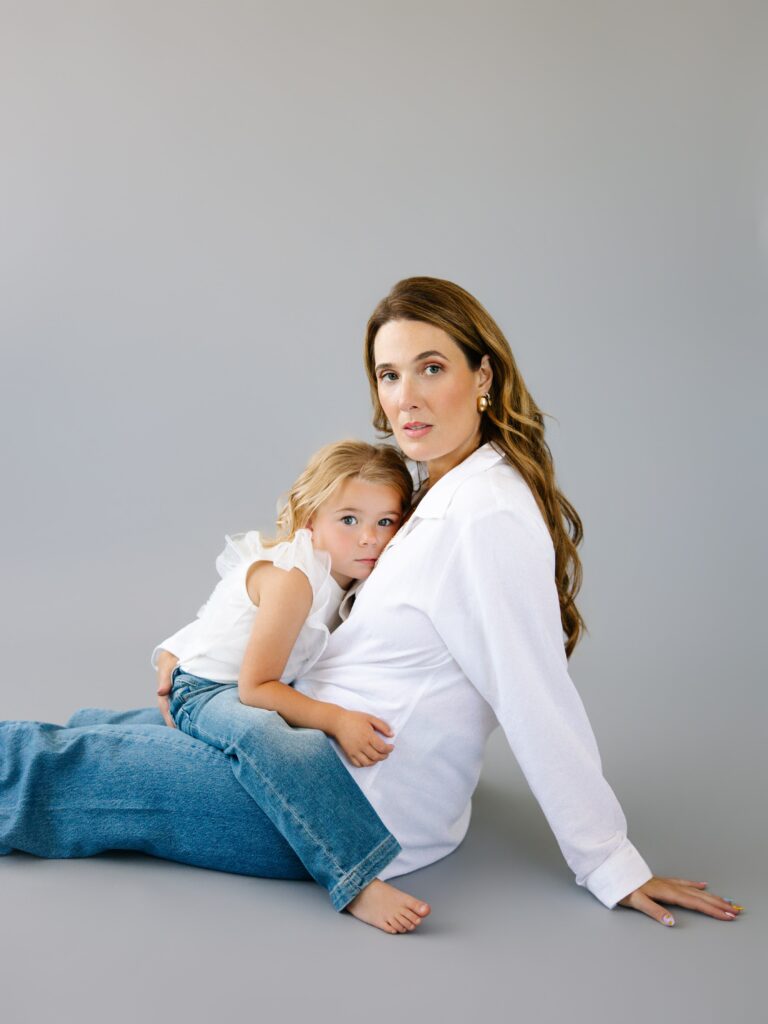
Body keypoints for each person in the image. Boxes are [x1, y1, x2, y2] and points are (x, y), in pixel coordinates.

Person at [0, 278, 742, 933]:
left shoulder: (482, 517)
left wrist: (609, 860)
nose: (405, 397)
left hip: (338, 803)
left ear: (483, 375)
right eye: (390, 374)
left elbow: (533, 692)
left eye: (432, 368)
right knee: (111, 727)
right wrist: (196, 651)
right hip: (312, 749)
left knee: (55, 765)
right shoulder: (440, 489)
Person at [158, 438, 433, 931]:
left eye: (385, 522)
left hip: (234, 685)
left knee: (277, 729)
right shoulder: (295, 580)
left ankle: (96, 722)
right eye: (348, 519)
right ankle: (356, 878)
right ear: (309, 521)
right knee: (283, 740)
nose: (369, 538)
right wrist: (337, 720)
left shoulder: (349, 578)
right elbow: (255, 689)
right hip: (204, 690)